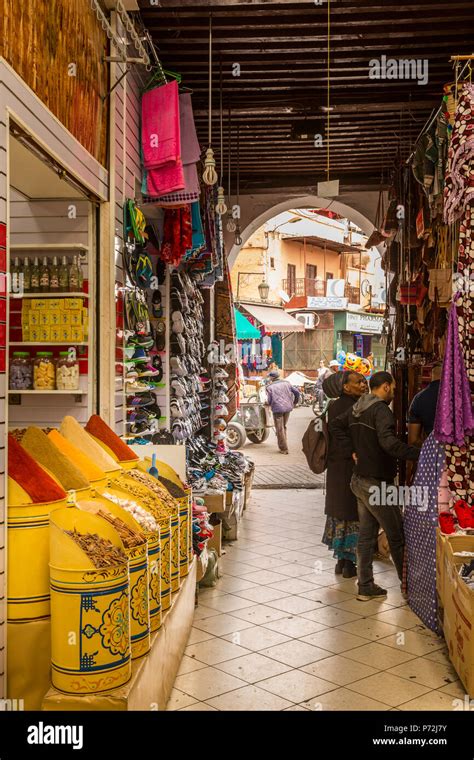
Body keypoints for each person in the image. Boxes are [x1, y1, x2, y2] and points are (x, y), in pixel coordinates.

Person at [332, 371, 421, 601]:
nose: (393, 392)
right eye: (392, 387)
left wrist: (351, 448)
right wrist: (420, 454)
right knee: (396, 534)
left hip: (359, 480)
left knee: (366, 535)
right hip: (376, 485)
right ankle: (409, 588)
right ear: (385, 387)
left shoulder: (359, 406)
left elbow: (335, 425)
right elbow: (389, 443)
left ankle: (365, 585)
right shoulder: (381, 410)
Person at [322, 370, 368, 578]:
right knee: (352, 513)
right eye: (358, 382)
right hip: (349, 468)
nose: (363, 384)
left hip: (337, 469)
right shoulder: (352, 406)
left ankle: (342, 562)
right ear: (345, 387)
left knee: (341, 514)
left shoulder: (334, 406)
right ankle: (349, 564)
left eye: (364, 381)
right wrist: (355, 450)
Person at [265, 370, 300, 454]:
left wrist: (267, 404)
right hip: (288, 408)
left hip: (277, 409)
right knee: (283, 426)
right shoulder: (287, 383)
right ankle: (284, 444)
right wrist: (294, 402)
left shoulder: (270, 387)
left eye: (270, 377)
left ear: (272, 378)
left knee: (279, 429)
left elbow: (269, 400)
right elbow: (297, 392)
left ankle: (284, 449)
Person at [408, 363, 442, 443]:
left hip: (432, 449)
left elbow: (413, 440)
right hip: (458, 451)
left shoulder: (419, 398)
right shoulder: (460, 396)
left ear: (430, 374)